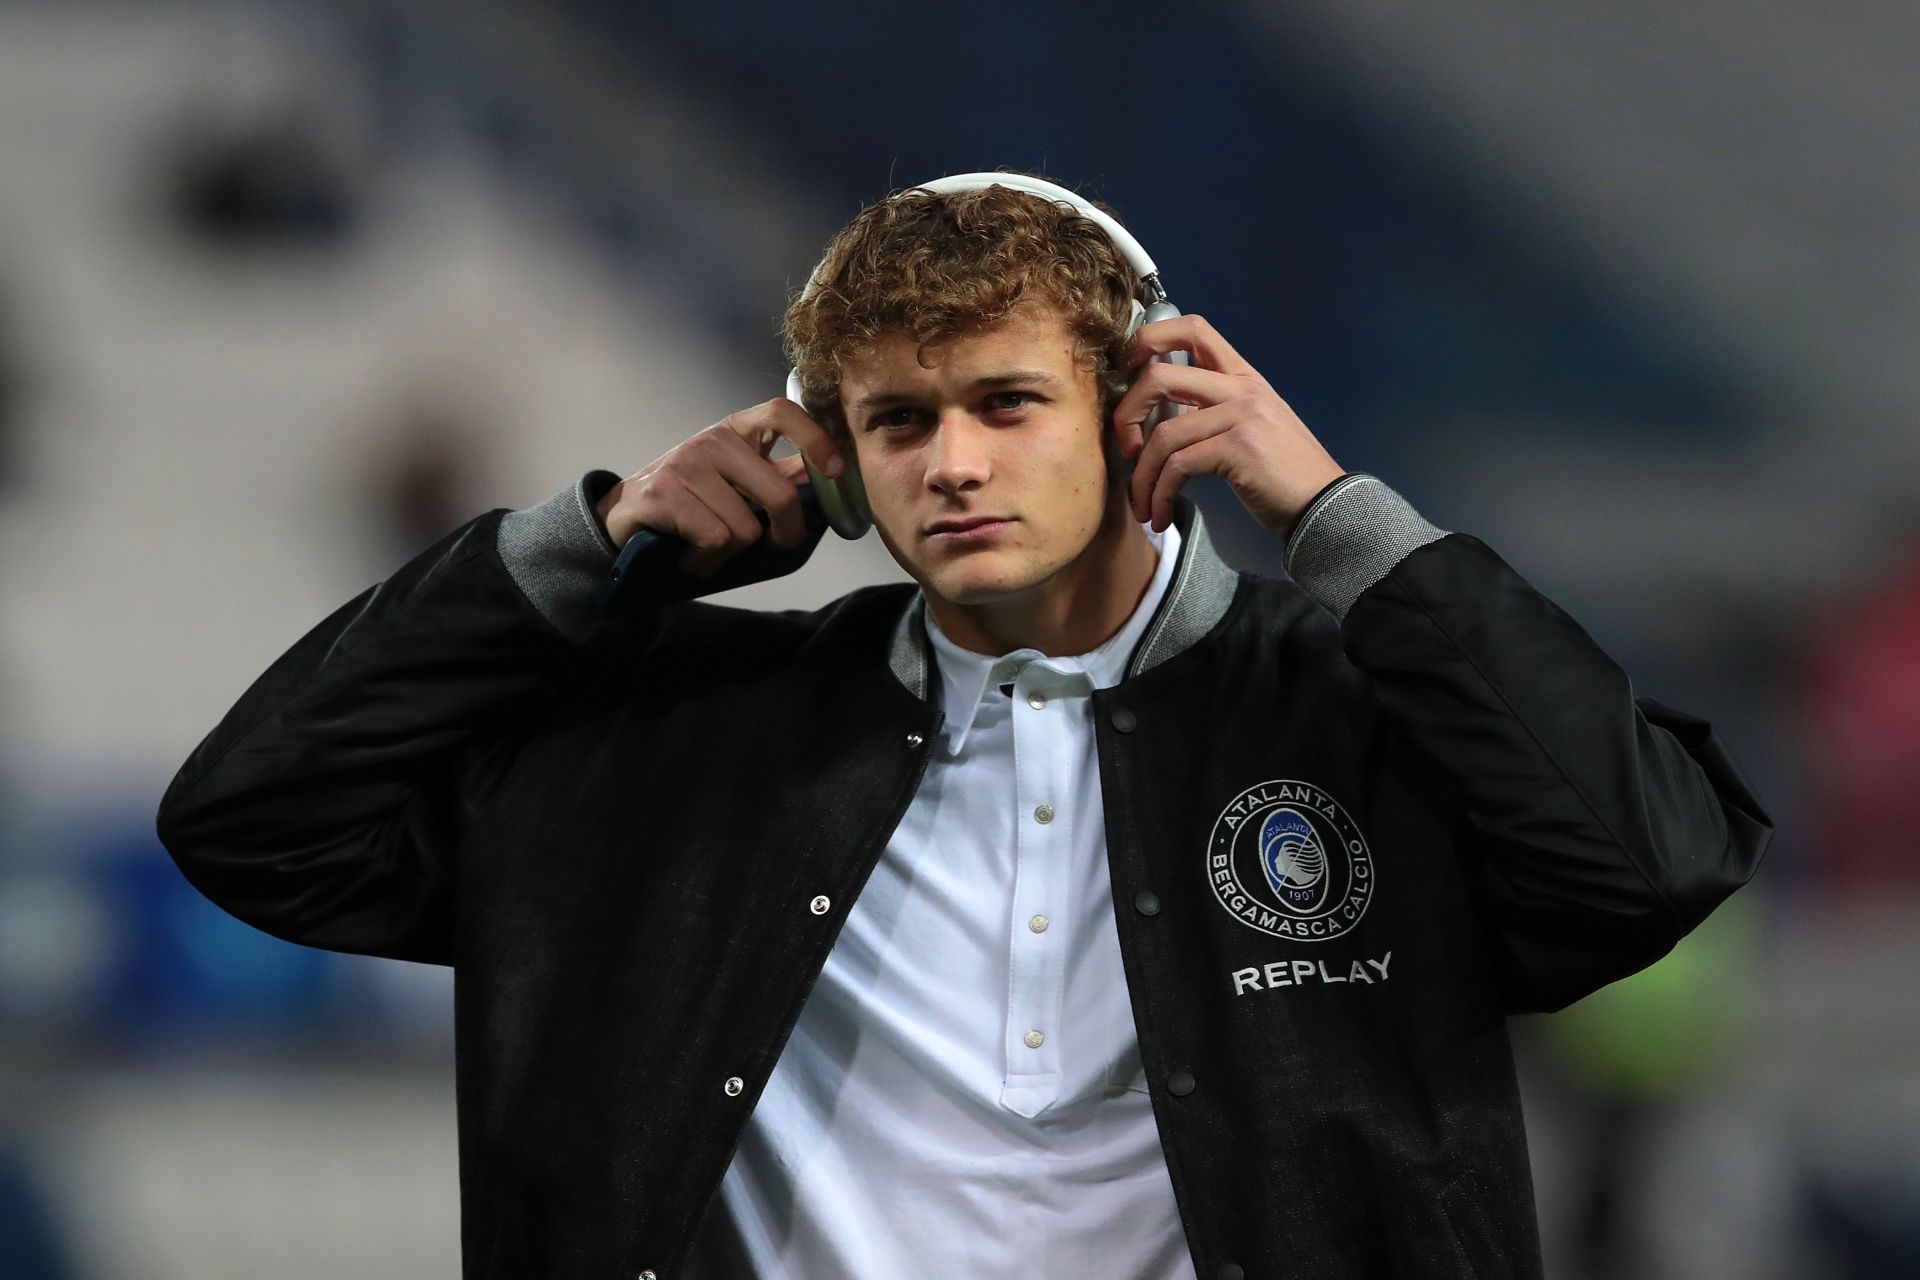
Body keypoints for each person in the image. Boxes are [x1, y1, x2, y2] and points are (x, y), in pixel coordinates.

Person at [155, 173, 1772, 1280]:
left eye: (1008, 402)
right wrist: (594, 552)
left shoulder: (1352, 707)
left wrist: (1340, 521)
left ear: (1141, 404)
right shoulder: (692, 742)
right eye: (899, 421)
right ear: (838, 460)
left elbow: (1653, 858)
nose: (954, 465)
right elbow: (259, 820)